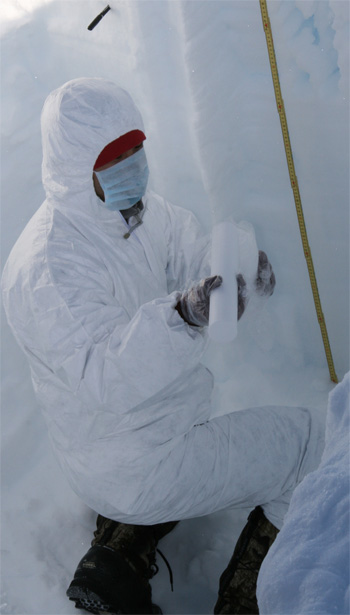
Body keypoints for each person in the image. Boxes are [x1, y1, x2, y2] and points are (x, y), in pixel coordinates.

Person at [1, 77, 325, 615]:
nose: (133, 163)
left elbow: (190, 251)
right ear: (75, 169)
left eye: (136, 147)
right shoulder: (48, 269)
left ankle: (122, 549)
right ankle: (251, 601)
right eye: (115, 156)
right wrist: (182, 315)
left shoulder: (133, 213)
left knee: (195, 461)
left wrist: (236, 273)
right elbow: (105, 374)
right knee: (308, 447)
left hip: (140, 439)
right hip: (136, 460)